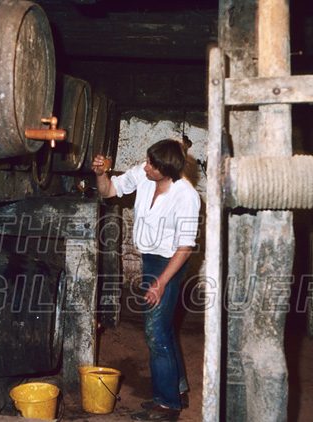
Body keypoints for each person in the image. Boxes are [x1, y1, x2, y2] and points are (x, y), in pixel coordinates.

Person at [92, 139, 200, 421]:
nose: (146, 166)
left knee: (155, 333)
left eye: (152, 165)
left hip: (170, 263)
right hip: (150, 258)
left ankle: (166, 406)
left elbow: (185, 247)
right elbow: (110, 190)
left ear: (167, 172)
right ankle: (177, 389)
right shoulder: (144, 173)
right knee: (163, 328)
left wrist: (161, 282)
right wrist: (100, 174)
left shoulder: (186, 196)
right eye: (148, 161)